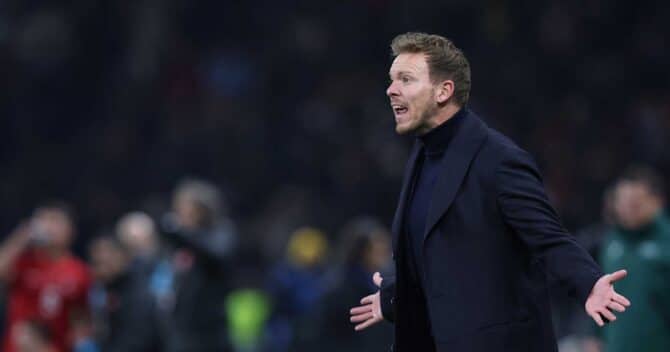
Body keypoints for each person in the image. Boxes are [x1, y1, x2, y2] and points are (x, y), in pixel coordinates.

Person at [349, 32, 630, 352]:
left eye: (406, 79)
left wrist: (588, 282)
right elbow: (443, 256)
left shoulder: (498, 159)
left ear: (444, 91)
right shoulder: (422, 156)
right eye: (392, 79)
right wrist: (396, 298)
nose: (391, 89)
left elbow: (547, 237)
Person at [159, 178, 238, 352]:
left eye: (184, 207)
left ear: (202, 210)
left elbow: (214, 257)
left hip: (209, 331)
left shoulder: (220, 233)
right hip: (180, 327)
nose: (178, 213)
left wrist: (181, 235)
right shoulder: (177, 242)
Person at [0, 202, 91, 352]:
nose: (49, 228)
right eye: (43, 221)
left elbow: (82, 318)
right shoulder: (23, 262)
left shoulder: (79, 271)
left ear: (70, 230)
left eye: (55, 221)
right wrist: (22, 237)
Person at [600, 166, 670, 352]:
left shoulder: (667, 241)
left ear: (657, 201)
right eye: (621, 201)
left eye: (635, 202)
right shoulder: (611, 241)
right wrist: (594, 335)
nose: (627, 209)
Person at [88, 235, 159, 352]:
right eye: (97, 263)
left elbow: (140, 341)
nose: (103, 269)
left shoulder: (139, 293)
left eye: (107, 261)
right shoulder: (103, 291)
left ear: (124, 257)